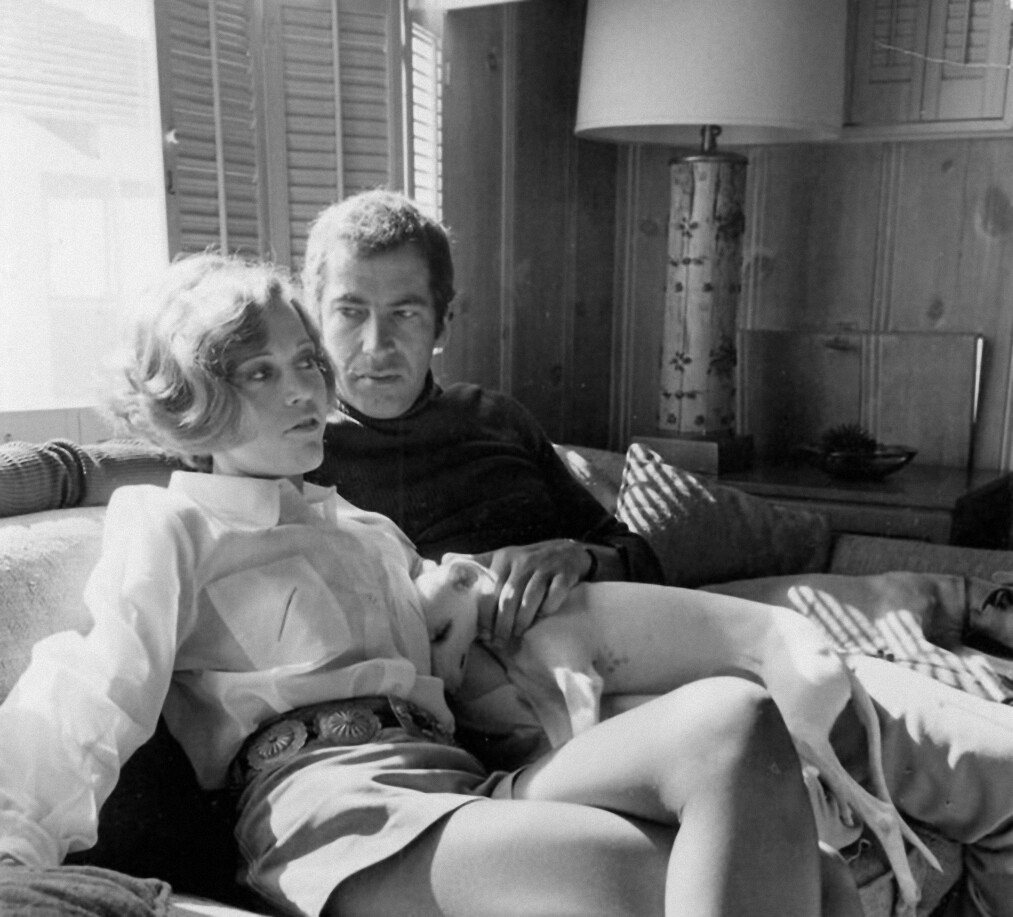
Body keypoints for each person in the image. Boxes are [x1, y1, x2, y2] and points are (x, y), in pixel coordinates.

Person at [4, 189, 1013, 914]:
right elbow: (92, 690)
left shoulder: (364, 527)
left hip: (461, 771)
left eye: (304, 360)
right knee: (773, 876)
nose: (309, 385)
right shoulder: (170, 520)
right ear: (192, 402)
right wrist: (13, 841)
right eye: (264, 371)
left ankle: (937, 622)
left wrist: (468, 590)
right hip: (333, 806)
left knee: (737, 726)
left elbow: (463, 645)